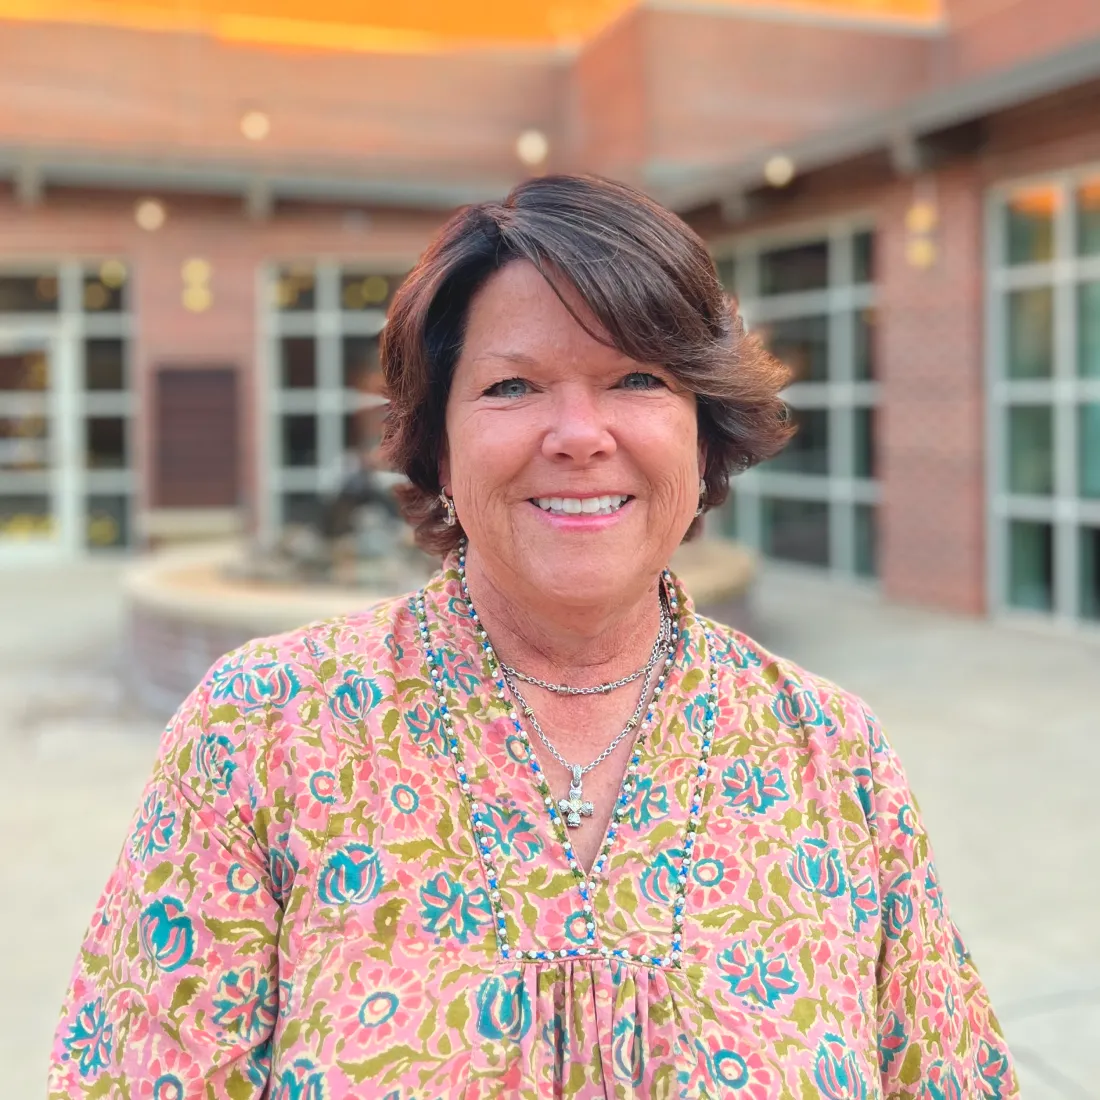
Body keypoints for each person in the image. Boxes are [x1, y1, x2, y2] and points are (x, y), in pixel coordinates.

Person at [51, 174, 1018, 1099]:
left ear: (705, 427)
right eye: (513, 388)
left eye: (637, 377)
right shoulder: (259, 737)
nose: (578, 433)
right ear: (435, 438)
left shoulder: (836, 758)